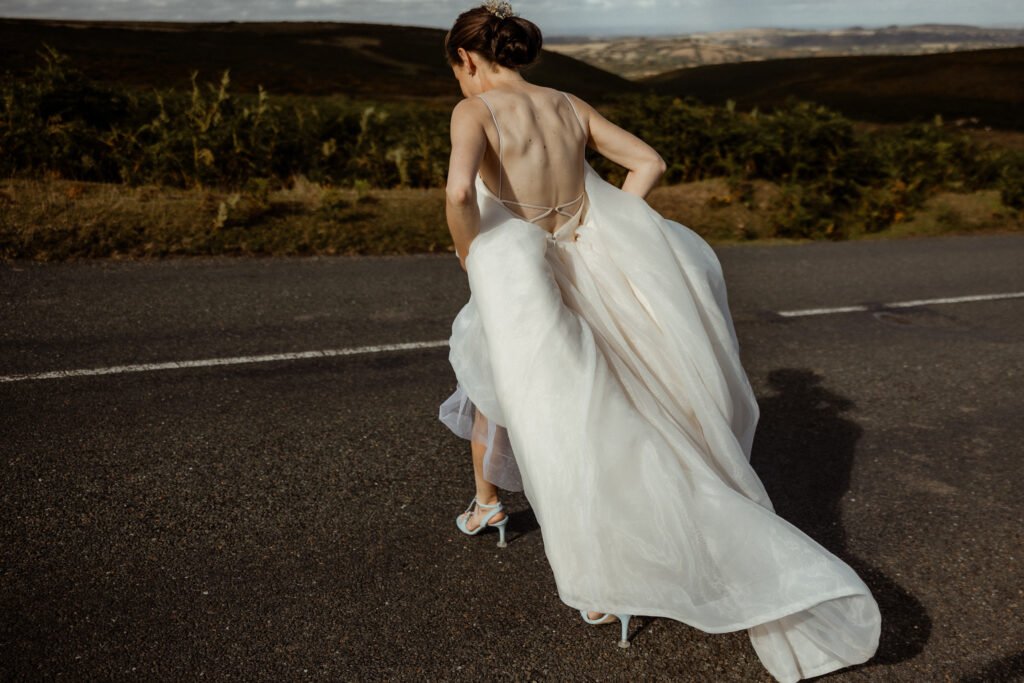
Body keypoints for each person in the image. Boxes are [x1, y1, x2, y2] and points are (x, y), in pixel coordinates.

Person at [437, 3, 881, 681]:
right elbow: (647, 161)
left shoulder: (475, 111)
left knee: (540, 400)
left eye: (457, 72)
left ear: (467, 58)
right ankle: (495, 502)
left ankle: (583, 569)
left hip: (523, 270)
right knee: (602, 403)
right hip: (591, 261)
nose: (461, 84)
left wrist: (471, 255)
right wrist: (609, 221)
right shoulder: (566, 103)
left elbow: (458, 191)